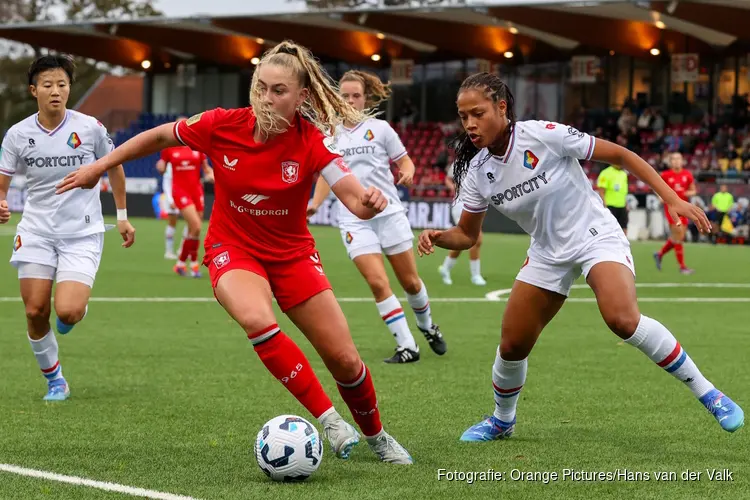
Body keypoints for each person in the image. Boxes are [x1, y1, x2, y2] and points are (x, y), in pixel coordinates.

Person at [56, 41, 413, 464]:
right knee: (257, 319)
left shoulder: (313, 142)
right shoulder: (220, 124)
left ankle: (377, 436)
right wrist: (98, 167)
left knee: (346, 360)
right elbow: (156, 136)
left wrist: (368, 203)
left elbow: (353, 197)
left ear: (302, 97)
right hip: (233, 248)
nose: (265, 98)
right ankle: (330, 420)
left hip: (293, 255)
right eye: (260, 87)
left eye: (278, 90)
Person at [417, 72, 743, 441]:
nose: (470, 124)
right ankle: (502, 421)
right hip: (546, 252)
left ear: (502, 107)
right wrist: (438, 237)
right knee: (512, 346)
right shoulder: (477, 172)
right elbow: (467, 235)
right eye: (463, 117)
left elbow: (621, 155)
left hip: (594, 236)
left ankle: (709, 394)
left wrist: (671, 198)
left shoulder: (543, 134)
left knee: (622, 319)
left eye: (477, 113)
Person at [0, 55, 135, 402]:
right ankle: (56, 380)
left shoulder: (89, 127)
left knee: (68, 311)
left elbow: (115, 166)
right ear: (34, 90)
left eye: (62, 85)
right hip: (36, 231)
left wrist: (121, 215)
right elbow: (3, 182)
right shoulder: (18, 134)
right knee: (34, 311)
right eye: (47, 85)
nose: (56, 91)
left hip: (82, 232)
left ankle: (75, 306)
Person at [307, 70, 446, 364]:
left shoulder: (381, 129)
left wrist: (408, 171)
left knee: (410, 282)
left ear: (365, 98)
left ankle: (427, 326)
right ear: (336, 99)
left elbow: (404, 160)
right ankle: (407, 346)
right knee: (378, 282)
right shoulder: (330, 134)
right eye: (344, 96)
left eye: (355, 95)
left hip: (389, 212)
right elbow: (325, 175)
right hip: (353, 218)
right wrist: (315, 204)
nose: (350, 100)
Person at [155, 122, 214, 277]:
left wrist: (213, 175)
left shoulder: (197, 147)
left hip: (196, 191)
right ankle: (193, 264)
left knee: (195, 229)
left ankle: (182, 264)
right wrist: (160, 167)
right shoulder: (169, 149)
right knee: (195, 225)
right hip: (180, 192)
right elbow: (162, 166)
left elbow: (206, 169)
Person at [438, 160, 487, 286]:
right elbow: (448, 179)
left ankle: (445, 268)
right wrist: (454, 187)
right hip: (461, 204)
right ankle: (475, 276)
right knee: (476, 238)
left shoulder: (483, 161)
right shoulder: (459, 162)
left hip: (477, 204)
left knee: (464, 240)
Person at [654, 152, 696, 274]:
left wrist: (685, 192)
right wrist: (660, 196)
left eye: (679, 159)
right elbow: (656, 187)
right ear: (670, 162)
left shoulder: (687, 174)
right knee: (678, 234)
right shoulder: (666, 175)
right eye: (674, 159)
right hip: (671, 209)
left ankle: (659, 254)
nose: (677, 161)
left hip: (684, 208)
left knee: (679, 237)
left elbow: (693, 190)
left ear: (682, 161)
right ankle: (682, 267)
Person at [596, 163, 629, 235]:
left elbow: (623, 192)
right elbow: (601, 191)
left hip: (622, 206)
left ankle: (623, 245)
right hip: (610, 206)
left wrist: (626, 204)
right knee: (609, 229)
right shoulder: (605, 173)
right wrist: (604, 206)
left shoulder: (624, 174)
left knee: (624, 228)